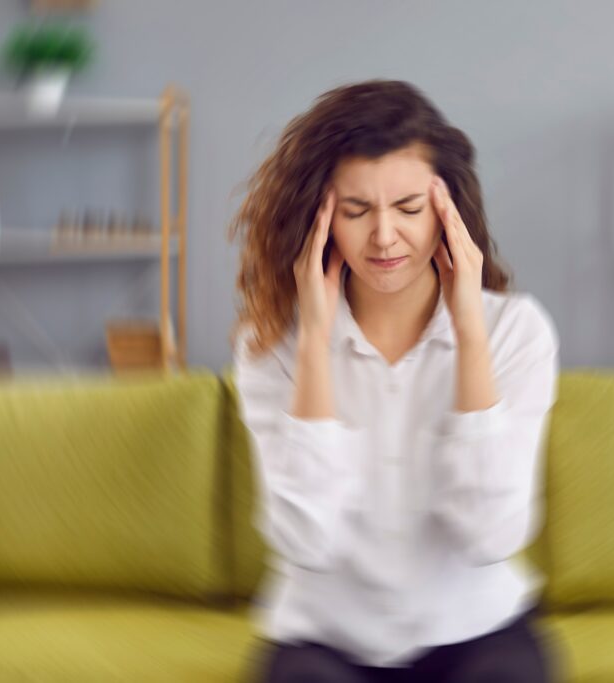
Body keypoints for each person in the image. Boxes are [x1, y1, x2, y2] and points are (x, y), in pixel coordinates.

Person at [230, 79, 559, 683]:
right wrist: (314, 343)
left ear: (447, 213)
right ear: (321, 219)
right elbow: (306, 539)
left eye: (408, 209)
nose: (384, 237)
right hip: (323, 639)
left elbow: (491, 536)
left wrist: (470, 331)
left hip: (476, 630)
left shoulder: (517, 332)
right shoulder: (270, 344)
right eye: (356, 211)